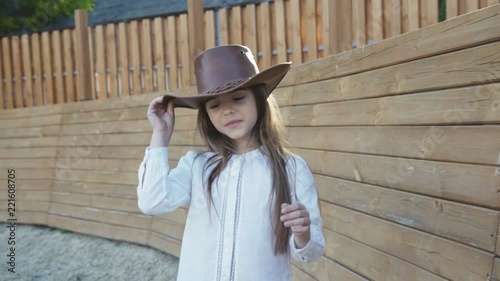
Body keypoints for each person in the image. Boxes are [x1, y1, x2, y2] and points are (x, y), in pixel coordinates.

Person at [137, 44, 325, 281]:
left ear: (260, 99)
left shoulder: (292, 169)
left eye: (238, 98)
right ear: (207, 114)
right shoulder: (197, 166)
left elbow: (312, 252)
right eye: (215, 105)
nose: (228, 110)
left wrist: (303, 233)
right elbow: (151, 202)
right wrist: (161, 134)